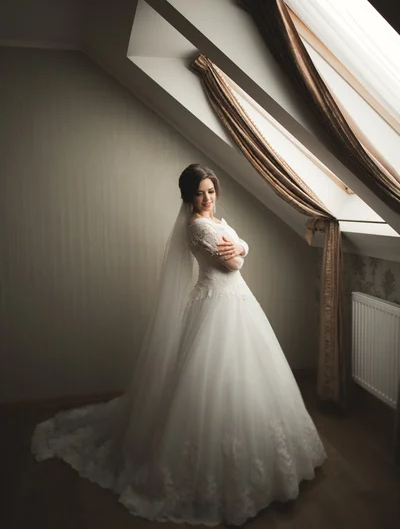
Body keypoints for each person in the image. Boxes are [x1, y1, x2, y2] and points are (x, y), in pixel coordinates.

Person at [32, 163, 326, 526]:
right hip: (215, 306)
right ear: (188, 197)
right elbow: (234, 263)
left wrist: (242, 245)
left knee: (247, 383)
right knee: (204, 387)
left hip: (238, 305)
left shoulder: (218, 221)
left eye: (211, 191)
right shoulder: (199, 226)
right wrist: (243, 247)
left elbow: (240, 248)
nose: (207, 199)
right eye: (200, 192)